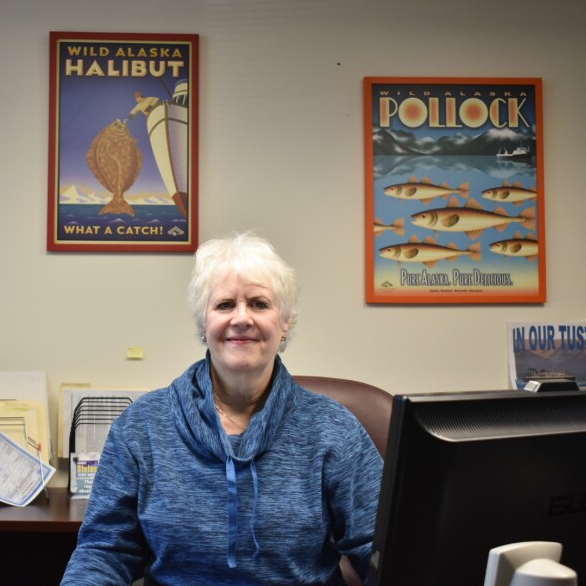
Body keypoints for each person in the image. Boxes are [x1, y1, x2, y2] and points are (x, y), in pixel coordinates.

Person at [61, 232, 383, 585]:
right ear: (203, 322)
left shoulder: (333, 429)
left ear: (285, 321)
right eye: (225, 304)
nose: (241, 318)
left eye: (260, 304)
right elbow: (106, 550)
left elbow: (380, 547)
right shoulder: (141, 427)